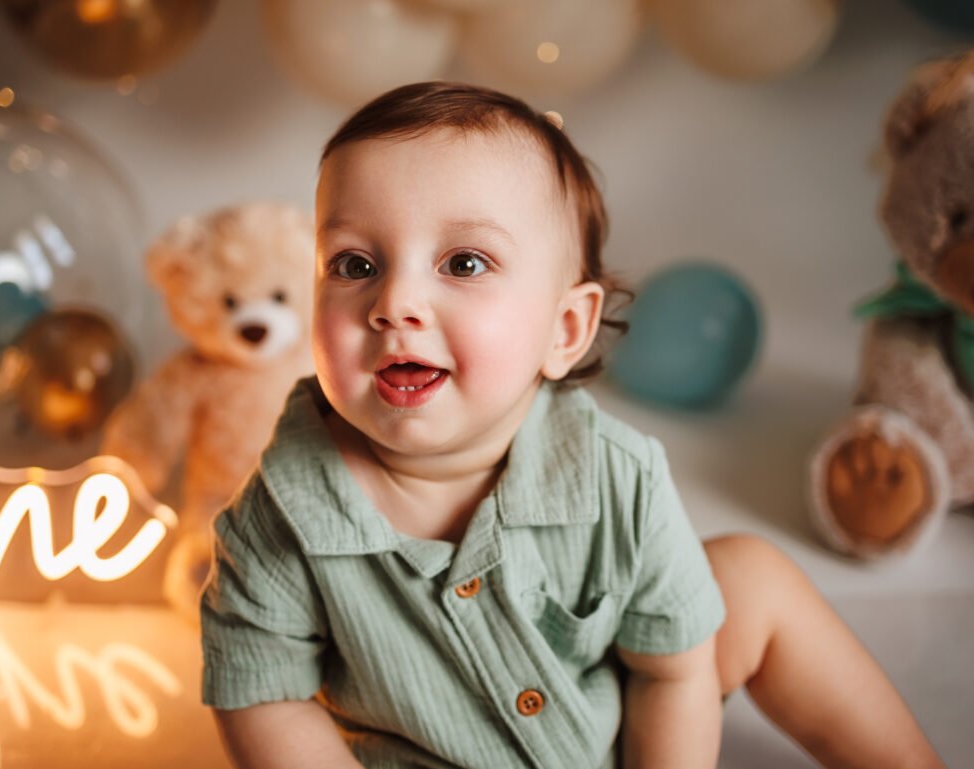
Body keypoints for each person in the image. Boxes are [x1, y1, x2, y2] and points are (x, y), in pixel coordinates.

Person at [199, 81, 944, 769]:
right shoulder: (279, 516)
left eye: (462, 262)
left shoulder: (616, 474)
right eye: (355, 263)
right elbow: (266, 696)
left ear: (564, 329)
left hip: (617, 734)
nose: (393, 302)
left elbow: (674, 670)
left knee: (752, 577)